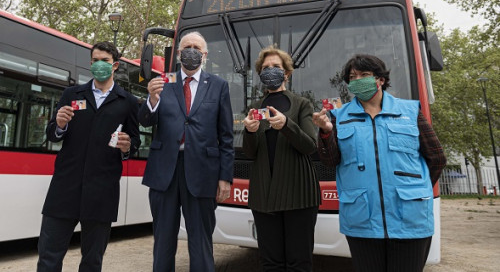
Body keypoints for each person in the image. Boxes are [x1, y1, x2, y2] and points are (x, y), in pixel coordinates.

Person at [312, 54, 446, 272]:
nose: (358, 80)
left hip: (410, 220)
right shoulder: (337, 117)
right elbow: (330, 161)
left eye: (364, 75)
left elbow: (437, 158)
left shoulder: (410, 111)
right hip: (362, 221)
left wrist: (418, 190)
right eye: (353, 77)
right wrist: (326, 132)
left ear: (380, 79)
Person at [37, 41, 141, 272]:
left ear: (115, 65)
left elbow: (135, 142)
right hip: (64, 189)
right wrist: (60, 124)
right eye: (95, 60)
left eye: (104, 60)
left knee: (92, 261)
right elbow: (52, 134)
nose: (99, 65)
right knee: (48, 257)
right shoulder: (72, 94)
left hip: (102, 192)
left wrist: (127, 146)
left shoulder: (128, 102)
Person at [139, 31, 234, 272]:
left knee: (201, 242)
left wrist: (225, 177)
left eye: (196, 47)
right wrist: (151, 98)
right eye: (186, 47)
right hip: (165, 173)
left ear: (204, 55)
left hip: (203, 172)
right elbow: (145, 121)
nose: (191, 51)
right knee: (163, 241)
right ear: (179, 54)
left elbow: (226, 135)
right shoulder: (163, 82)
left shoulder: (219, 86)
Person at [242, 45, 320, 272]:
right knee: (270, 263)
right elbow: (250, 153)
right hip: (264, 196)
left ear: (286, 73)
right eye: (266, 67)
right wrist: (249, 132)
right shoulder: (255, 107)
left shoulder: (301, 104)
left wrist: (287, 125)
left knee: (299, 263)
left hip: (299, 194)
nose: (271, 70)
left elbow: (309, 146)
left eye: (276, 66)